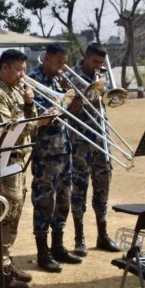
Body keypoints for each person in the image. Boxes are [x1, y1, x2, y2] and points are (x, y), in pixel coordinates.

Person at [0, 48, 51, 288]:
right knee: (5, 214)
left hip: (17, 161)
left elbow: (26, 123)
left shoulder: (13, 90)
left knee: (14, 213)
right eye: (18, 69)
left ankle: (7, 263)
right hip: (3, 162)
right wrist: (39, 122)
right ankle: (0, 272)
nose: (23, 74)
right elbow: (9, 131)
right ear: (4, 68)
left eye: (24, 69)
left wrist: (30, 104)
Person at [28, 44, 82, 273]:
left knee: (63, 200)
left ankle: (58, 245)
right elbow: (35, 116)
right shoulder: (32, 81)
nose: (62, 67)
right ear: (47, 58)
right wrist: (61, 103)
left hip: (64, 149)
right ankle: (43, 252)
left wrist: (74, 100)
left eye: (65, 62)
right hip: (45, 153)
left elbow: (70, 113)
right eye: (59, 61)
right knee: (44, 202)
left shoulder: (60, 82)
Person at [67, 43, 119, 255]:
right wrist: (79, 104)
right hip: (80, 141)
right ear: (86, 57)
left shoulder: (103, 74)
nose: (98, 66)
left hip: (101, 139)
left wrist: (108, 97)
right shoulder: (70, 77)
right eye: (95, 61)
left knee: (103, 188)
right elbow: (66, 110)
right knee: (79, 189)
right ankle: (79, 238)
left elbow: (112, 99)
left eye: (101, 62)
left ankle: (102, 235)